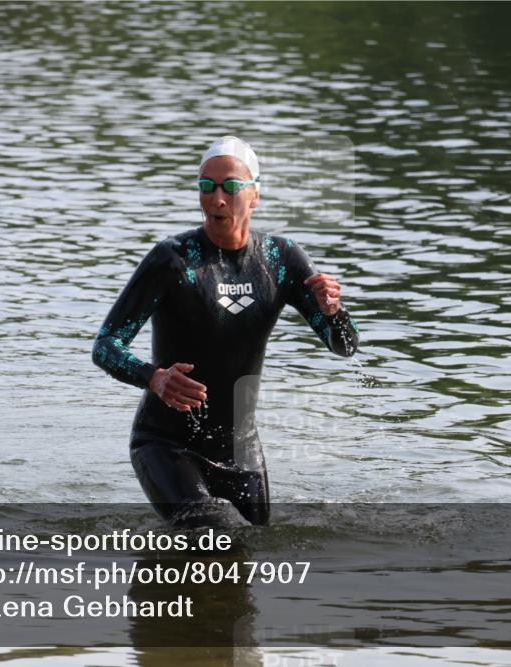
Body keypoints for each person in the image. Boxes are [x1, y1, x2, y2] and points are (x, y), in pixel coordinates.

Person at [92, 136, 359, 527]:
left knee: (250, 554)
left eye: (231, 187)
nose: (217, 199)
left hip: (242, 453)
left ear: (255, 196)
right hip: (166, 445)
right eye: (207, 186)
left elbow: (345, 346)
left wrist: (333, 311)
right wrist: (154, 378)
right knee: (217, 535)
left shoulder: (281, 260)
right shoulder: (172, 259)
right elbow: (106, 345)